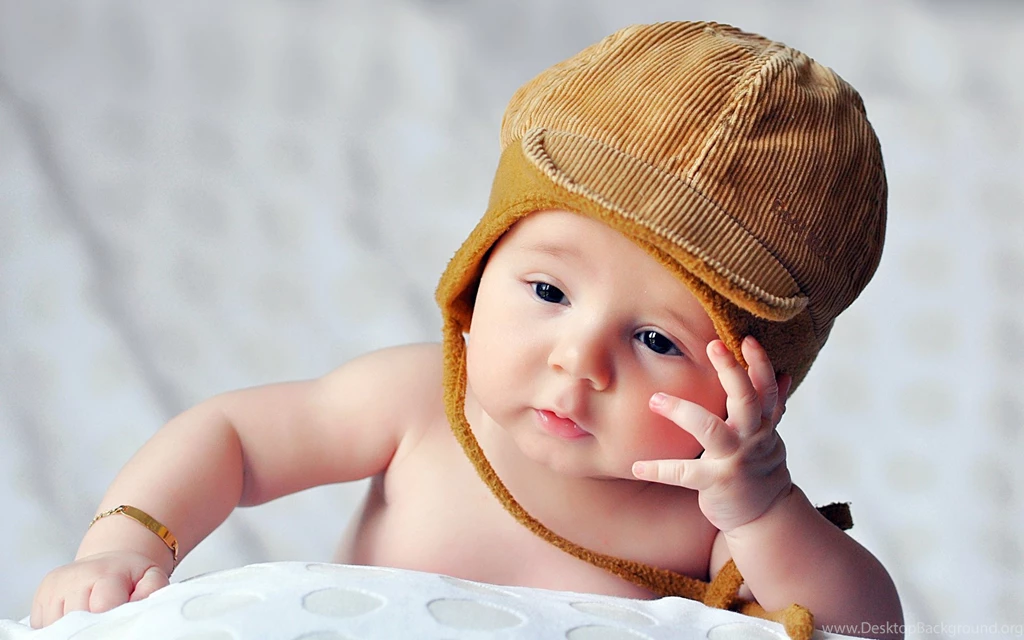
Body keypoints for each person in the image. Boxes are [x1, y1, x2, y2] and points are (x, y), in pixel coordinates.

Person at [31, 21, 903, 638]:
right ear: (478, 272)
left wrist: (764, 510)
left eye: (658, 342)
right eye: (549, 290)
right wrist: (123, 544)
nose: (579, 359)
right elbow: (233, 439)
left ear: (762, 392)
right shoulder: (419, 404)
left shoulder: (708, 517)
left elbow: (865, 626)